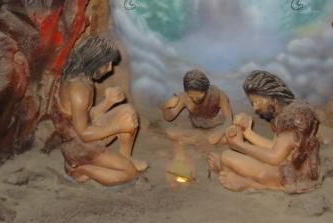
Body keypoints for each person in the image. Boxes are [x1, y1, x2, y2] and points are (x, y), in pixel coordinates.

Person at [53, 35, 148, 185]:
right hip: (79, 146)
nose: (110, 69)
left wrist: (108, 102)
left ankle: (125, 157)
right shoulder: (79, 89)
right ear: (94, 62)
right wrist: (118, 126)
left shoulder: (81, 79)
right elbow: (84, 134)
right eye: (107, 64)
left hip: (82, 134)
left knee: (127, 112)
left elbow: (84, 116)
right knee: (129, 173)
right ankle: (79, 170)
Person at [207, 69, 321, 193]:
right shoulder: (283, 113)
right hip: (287, 165)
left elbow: (274, 157)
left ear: (272, 98)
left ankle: (249, 183)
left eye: (257, 102)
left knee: (227, 157)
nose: (255, 107)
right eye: (252, 103)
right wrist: (247, 133)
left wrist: (239, 145)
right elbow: (277, 147)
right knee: (228, 157)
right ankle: (232, 172)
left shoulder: (292, 117)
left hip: (292, 176)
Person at [161, 69, 233, 145]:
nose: (195, 99)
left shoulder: (218, 95)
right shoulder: (184, 97)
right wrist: (166, 106)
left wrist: (219, 133)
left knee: (231, 133)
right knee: (170, 132)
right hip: (197, 130)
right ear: (186, 92)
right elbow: (169, 117)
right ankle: (200, 138)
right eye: (191, 96)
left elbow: (229, 119)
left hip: (216, 128)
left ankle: (194, 139)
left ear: (206, 89)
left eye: (199, 96)